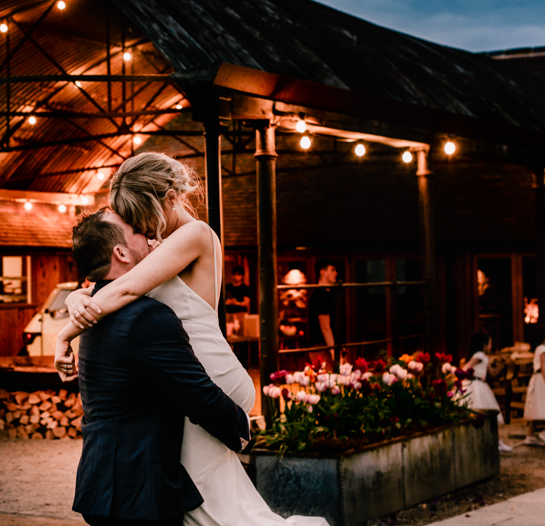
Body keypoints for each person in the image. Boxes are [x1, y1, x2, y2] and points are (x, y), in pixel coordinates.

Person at [56, 152, 328, 526]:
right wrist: (76, 297)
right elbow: (109, 283)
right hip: (191, 381)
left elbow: (125, 288)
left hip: (209, 378)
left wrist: (66, 333)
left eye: (141, 214)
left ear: (169, 197)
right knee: (213, 503)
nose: (142, 227)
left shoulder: (196, 235)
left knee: (211, 511)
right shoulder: (159, 246)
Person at [70, 208, 251, 526]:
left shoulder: (92, 311)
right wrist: (245, 430)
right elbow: (197, 394)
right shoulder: (146, 317)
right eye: (136, 231)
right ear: (121, 252)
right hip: (139, 494)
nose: (149, 235)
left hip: (102, 484)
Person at [461, 332, 512, 452]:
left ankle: (496, 441)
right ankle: (497, 441)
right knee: (487, 415)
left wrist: (502, 364)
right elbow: (466, 367)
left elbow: (492, 373)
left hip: (479, 384)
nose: (491, 346)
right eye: (489, 343)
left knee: (481, 416)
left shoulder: (483, 356)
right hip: (476, 386)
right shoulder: (479, 355)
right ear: (484, 344)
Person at [307, 259, 338, 364]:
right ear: (322, 272)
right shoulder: (322, 295)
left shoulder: (323, 294)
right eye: (332, 270)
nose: (336, 273)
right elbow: (325, 327)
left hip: (325, 346)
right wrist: (333, 351)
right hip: (322, 348)